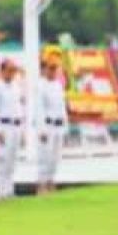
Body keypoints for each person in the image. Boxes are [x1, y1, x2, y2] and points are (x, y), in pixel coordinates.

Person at [0, 59, 24, 200]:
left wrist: (22, 130)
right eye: (10, 70)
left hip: (15, 125)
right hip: (4, 126)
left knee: (12, 160)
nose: (12, 73)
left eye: (14, 71)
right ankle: (2, 190)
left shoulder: (16, 87)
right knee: (3, 160)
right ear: (3, 71)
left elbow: (19, 108)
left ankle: (9, 189)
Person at [37, 60, 69, 194]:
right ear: (44, 70)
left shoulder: (57, 85)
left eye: (54, 69)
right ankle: (42, 184)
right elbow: (39, 109)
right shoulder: (40, 86)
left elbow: (62, 107)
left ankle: (51, 181)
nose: (53, 72)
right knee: (45, 156)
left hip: (58, 124)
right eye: (50, 69)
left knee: (56, 157)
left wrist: (65, 125)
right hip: (48, 125)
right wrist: (42, 129)